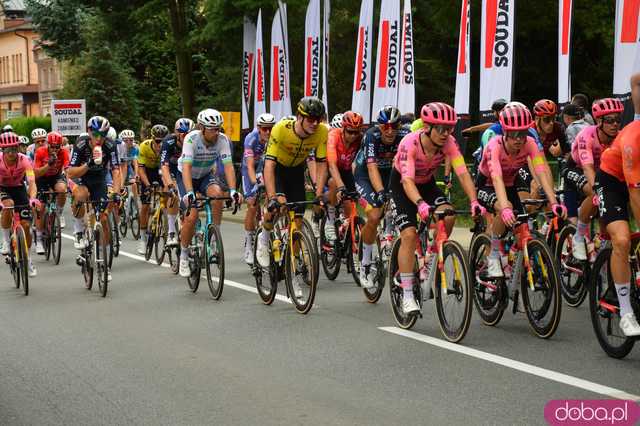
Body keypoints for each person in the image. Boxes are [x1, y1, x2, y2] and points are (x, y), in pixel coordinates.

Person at [392, 103, 484, 314]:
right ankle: (407, 295)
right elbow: (407, 181)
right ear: (427, 127)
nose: (445, 134)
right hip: (402, 185)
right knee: (409, 234)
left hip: (426, 184)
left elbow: (462, 173)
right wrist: (420, 204)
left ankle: (431, 258)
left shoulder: (449, 143)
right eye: (440, 129)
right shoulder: (410, 143)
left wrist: (474, 201)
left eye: (449, 128)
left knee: (448, 216)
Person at [476, 104, 566, 278]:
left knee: (523, 225)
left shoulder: (529, 143)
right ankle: (493, 254)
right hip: (487, 183)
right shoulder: (495, 145)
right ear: (505, 132)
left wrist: (553, 201)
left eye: (523, 134)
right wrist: (505, 207)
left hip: (510, 182)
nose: (519, 139)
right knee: (505, 207)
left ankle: (511, 257)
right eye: (514, 135)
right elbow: (496, 178)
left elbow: (541, 170)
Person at [254, 97, 328, 276]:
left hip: (295, 170)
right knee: (278, 204)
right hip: (277, 168)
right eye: (310, 119)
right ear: (299, 117)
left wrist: (318, 194)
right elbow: (269, 166)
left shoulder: (321, 132)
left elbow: (321, 164)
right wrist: (272, 197)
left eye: (318, 119)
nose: (315, 123)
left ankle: (290, 260)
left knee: (298, 219)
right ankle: (264, 238)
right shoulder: (281, 128)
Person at [177, 109, 241, 277]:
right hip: (186, 176)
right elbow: (186, 167)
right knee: (192, 215)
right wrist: (190, 192)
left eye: (219, 128)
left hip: (205, 175)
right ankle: (183, 254)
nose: (216, 132)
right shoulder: (191, 139)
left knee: (218, 194)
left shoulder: (222, 140)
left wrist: (234, 190)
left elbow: (228, 166)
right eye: (213, 129)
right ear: (202, 127)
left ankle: (214, 236)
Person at [595, 120, 640, 336]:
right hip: (613, 181)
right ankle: (626, 311)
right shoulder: (633, 139)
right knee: (622, 240)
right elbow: (635, 196)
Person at [354, 106, 409, 280]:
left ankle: (390, 236)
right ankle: (365, 263)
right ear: (379, 126)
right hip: (366, 175)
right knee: (374, 215)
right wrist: (380, 192)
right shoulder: (371, 135)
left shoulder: (405, 136)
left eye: (394, 126)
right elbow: (371, 167)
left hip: (390, 174)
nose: (390, 131)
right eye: (385, 126)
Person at [565, 98, 624, 260]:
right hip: (576, 169)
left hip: (601, 172)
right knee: (594, 193)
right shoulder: (587, 135)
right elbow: (588, 168)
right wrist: (598, 191)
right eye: (610, 120)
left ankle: (602, 248)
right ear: (599, 121)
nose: (615, 125)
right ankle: (579, 234)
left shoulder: (619, 137)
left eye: (618, 120)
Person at [67, 116, 121, 282]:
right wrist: (88, 164)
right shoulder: (81, 144)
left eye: (103, 135)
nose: (99, 138)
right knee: (81, 196)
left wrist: (117, 192)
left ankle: (104, 263)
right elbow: (70, 172)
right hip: (81, 178)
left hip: (99, 180)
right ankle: (78, 231)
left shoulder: (110, 146)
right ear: (89, 132)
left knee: (103, 218)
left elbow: (116, 170)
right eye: (95, 134)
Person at [0, 132, 39, 277]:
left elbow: (32, 182)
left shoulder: (25, 160)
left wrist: (33, 198)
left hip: (18, 188)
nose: (12, 153)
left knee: (27, 225)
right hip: (2, 188)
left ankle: (28, 259)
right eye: (8, 150)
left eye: (14, 149)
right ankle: (5, 241)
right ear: (2, 150)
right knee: (8, 205)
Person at [324, 111, 365, 243]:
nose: (353, 135)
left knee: (350, 203)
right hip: (331, 168)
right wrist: (341, 186)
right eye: (350, 131)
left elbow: (363, 164)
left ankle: (347, 230)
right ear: (343, 128)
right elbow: (332, 164)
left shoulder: (360, 138)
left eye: (356, 132)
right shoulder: (334, 136)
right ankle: (330, 220)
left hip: (346, 170)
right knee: (333, 183)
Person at [241, 113, 276, 264]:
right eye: (264, 129)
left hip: (264, 168)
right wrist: (255, 183)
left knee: (273, 198)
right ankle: (249, 243)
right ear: (258, 128)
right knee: (252, 204)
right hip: (250, 169)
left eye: (270, 128)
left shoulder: (275, 138)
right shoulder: (251, 139)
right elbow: (249, 165)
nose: (268, 132)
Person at [160, 118, 195, 247]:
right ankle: (171, 232)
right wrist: (170, 184)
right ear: (176, 132)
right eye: (181, 132)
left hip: (186, 170)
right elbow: (164, 165)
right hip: (171, 168)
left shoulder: (195, 141)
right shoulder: (168, 142)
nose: (184, 135)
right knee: (173, 192)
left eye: (188, 132)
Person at [34, 131, 69, 253]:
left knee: (62, 190)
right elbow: (36, 173)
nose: (55, 149)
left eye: (57, 147)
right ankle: (38, 239)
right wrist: (48, 164)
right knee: (41, 207)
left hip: (56, 176)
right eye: (52, 147)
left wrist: (69, 181)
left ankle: (58, 213)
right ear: (48, 145)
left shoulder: (64, 152)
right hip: (42, 177)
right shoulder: (40, 152)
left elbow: (67, 168)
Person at [136, 124, 169, 254]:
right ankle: (143, 239)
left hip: (161, 170)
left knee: (168, 194)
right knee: (145, 206)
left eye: (163, 141)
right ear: (152, 139)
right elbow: (141, 169)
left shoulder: (168, 147)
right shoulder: (144, 146)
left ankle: (163, 215)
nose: (160, 144)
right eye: (158, 141)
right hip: (148, 172)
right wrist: (148, 185)